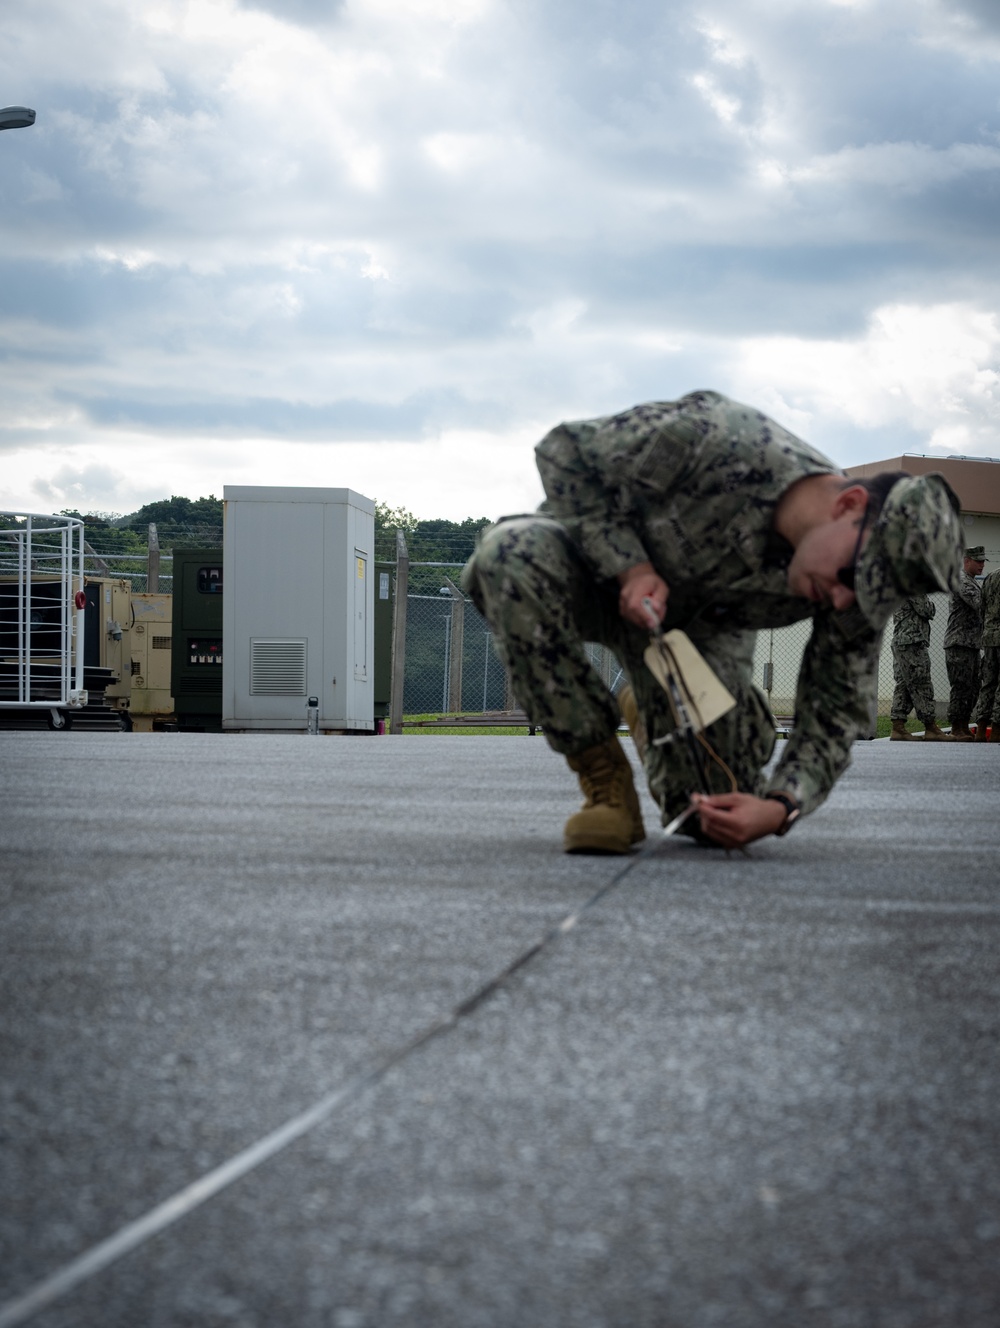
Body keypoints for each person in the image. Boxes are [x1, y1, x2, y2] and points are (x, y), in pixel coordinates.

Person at [463, 390, 963, 852]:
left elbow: (833, 714)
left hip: (692, 640)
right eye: (850, 577)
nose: (840, 600)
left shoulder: (851, 590)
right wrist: (631, 567)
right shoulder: (723, 438)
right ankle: (604, 782)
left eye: (863, 596)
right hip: (599, 575)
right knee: (509, 557)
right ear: (849, 504)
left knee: (709, 818)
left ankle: (688, 706)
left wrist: (778, 807)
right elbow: (565, 450)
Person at [889, 595, 954, 741]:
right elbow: (927, 610)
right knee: (921, 683)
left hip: (903, 641)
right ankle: (930, 727)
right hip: (912, 641)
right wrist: (930, 604)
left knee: (904, 684)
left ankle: (898, 727)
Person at [944, 546, 986, 741]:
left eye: (983, 561)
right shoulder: (962, 581)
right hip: (959, 643)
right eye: (977, 561)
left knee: (973, 686)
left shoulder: (972, 582)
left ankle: (962, 725)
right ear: (966, 560)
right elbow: (980, 604)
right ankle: (956, 727)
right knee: (961, 686)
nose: (981, 565)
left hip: (972, 644)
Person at [973, 562, 1000, 742]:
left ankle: (981, 729)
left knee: (988, 684)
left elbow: (981, 607)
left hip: (990, 636)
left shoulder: (991, 577)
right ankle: (997, 729)